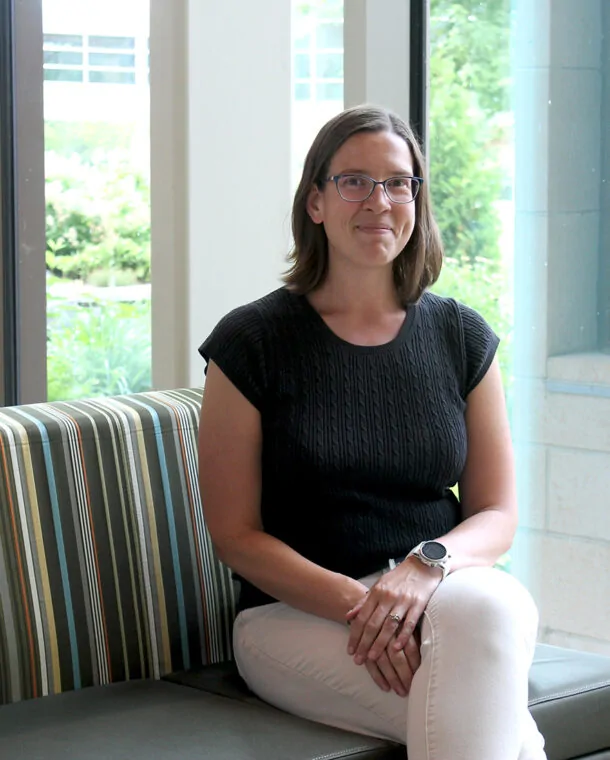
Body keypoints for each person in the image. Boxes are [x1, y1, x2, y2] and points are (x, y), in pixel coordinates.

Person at [197, 104, 547, 760]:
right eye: (354, 181)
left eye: (397, 182)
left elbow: (496, 514)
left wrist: (423, 567)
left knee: (495, 609)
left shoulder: (461, 336)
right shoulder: (252, 343)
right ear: (316, 203)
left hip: (439, 594)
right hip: (291, 617)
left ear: (417, 200)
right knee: (493, 711)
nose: (379, 200)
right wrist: (368, 607)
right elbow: (235, 536)